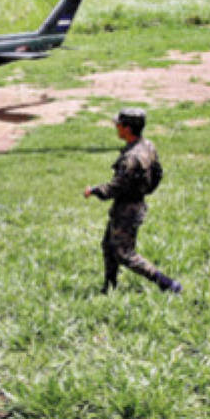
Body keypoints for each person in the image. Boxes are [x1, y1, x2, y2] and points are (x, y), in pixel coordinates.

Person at [84, 108, 182, 294]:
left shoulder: (132, 159)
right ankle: (109, 287)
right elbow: (158, 173)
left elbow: (115, 187)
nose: (117, 128)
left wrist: (94, 190)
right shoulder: (147, 146)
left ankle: (167, 283)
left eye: (119, 125)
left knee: (124, 253)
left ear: (127, 128)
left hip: (127, 209)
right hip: (134, 203)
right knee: (108, 246)